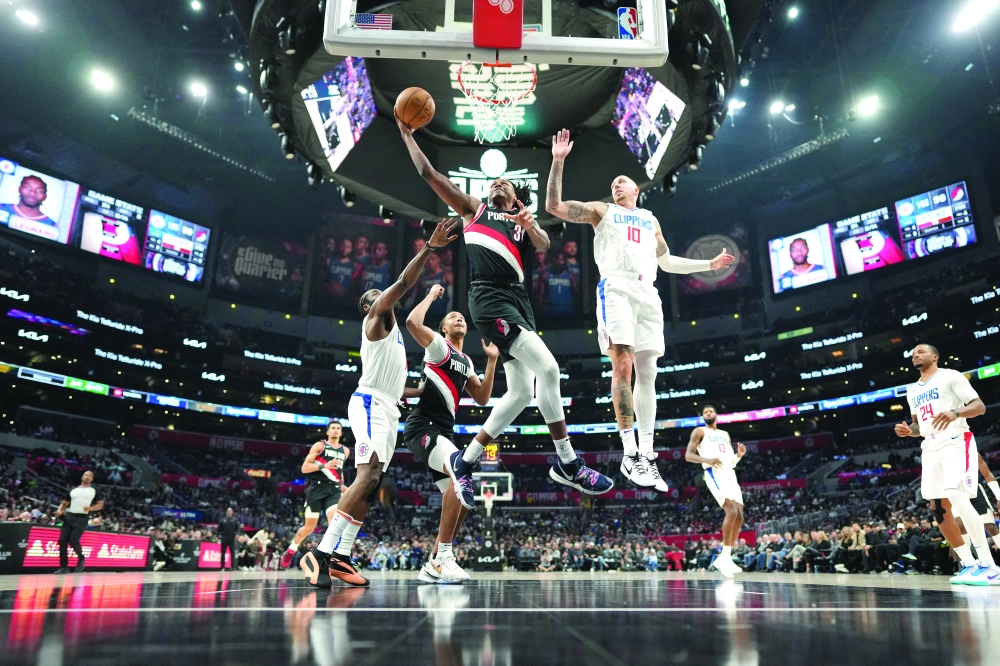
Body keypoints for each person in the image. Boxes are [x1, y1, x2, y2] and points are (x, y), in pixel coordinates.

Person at [398, 121, 613, 510]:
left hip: (519, 302)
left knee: (519, 394)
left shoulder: (521, 220)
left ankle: (464, 462)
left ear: (516, 199)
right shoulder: (472, 210)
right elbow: (429, 173)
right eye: (493, 183)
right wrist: (408, 135)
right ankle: (568, 461)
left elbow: (545, 244)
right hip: (488, 298)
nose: (497, 184)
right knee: (548, 370)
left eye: (505, 184)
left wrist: (532, 225)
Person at [545, 128, 734, 492]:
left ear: (637, 190)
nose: (616, 184)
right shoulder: (603, 211)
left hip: (648, 293)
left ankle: (646, 457)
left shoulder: (650, 219)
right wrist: (557, 162)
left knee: (648, 372)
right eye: (613, 182)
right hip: (616, 287)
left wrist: (707, 266)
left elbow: (667, 262)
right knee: (623, 365)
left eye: (623, 181)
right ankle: (629, 452)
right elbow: (555, 207)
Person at [300, 218, 459, 588]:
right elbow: (403, 284)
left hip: (388, 405)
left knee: (373, 484)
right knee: (368, 474)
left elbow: (400, 389)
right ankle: (322, 552)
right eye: (374, 295)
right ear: (370, 305)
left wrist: (427, 390)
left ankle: (342, 556)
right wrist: (430, 248)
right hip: (370, 404)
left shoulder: (394, 343)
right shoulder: (376, 320)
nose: (379, 295)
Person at [404, 283, 500, 584]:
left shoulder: (468, 361)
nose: (460, 319)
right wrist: (432, 296)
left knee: (459, 499)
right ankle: (444, 558)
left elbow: (483, 397)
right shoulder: (437, 346)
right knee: (460, 478)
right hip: (423, 425)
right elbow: (412, 323)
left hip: (443, 431)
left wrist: (492, 360)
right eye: (454, 317)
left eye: (462, 318)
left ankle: (434, 562)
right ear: (443, 328)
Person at [894, 343, 998, 585]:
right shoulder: (912, 390)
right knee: (938, 508)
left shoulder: (950, 376)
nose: (915, 355)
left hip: (955, 438)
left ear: (935, 356)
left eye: (920, 351)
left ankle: (989, 564)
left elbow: (979, 407)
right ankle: (968, 563)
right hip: (930, 446)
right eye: (913, 354)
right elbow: (919, 426)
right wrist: (908, 431)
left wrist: (956, 412)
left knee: (957, 494)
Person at [685, 405, 747, 578]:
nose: (708, 413)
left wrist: (739, 455)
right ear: (703, 417)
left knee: (740, 516)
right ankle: (723, 557)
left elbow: (730, 462)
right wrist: (706, 459)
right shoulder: (699, 431)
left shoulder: (725, 434)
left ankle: (725, 557)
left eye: (710, 411)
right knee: (731, 511)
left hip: (730, 474)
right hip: (714, 473)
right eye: (705, 412)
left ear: (716, 415)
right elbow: (688, 455)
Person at [280, 422, 350, 568]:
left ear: (341, 433)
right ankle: (291, 549)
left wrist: (341, 483)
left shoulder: (345, 450)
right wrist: (324, 465)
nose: (336, 430)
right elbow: (305, 468)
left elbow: (339, 469)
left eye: (338, 429)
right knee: (309, 527)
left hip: (334, 490)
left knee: (334, 522)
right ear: (328, 432)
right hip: (317, 488)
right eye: (333, 428)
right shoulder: (320, 446)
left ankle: (328, 558)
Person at [52, 470, 103, 573]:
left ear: (92, 479)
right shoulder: (73, 490)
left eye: (90, 475)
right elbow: (65, 503)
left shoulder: (94, 490)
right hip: (70, 516)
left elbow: (100, 505)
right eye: (85, 475)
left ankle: (81, 558)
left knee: (73, 539)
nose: (87, 477)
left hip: (82, 517)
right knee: (62, 540)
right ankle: (63, 566)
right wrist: (59, 510)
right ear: (82, 477)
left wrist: (90, 508)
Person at [0, 175, 59, 240]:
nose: (32, 193)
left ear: (45, 196)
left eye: (39, 191)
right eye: (27, 187)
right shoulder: (1, 207)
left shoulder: (52, 225)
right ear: (19, 189)